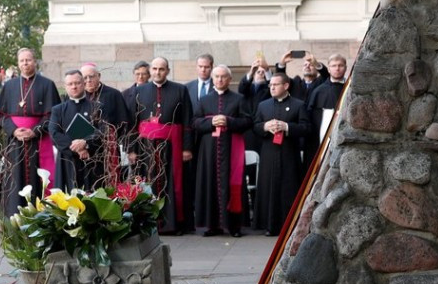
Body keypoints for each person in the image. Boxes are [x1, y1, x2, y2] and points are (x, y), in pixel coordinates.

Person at [132, 57, 194, 234]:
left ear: (167, 71)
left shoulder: (180, 90)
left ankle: (172, 224)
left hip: (172, 146)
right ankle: (149, 224)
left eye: (161, 69)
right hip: (146, 147)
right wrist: (132, 150)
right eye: (155, 69)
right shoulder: (140, 90)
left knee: (172, 184)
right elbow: (134, 122)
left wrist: (187, 148)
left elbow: (187, 120)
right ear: (150, 70)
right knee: (148, 182)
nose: (157, 72)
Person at [0, 48, 60, 216]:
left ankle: (41, 216)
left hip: (38, 141)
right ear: (18, 64)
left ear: (35, 62)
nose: (25, 63)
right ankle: (14, 218)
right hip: (15, 142)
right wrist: (13, 130)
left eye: (28, 60)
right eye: (22, 60)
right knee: (14, 179)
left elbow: (53, 114)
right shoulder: (9, 85)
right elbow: (0, 114)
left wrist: (35, 131)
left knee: (39, 178)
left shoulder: (47, 84)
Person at [192, 65, 251, 237]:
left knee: (232, 185)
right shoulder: (204, 100)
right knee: (210, 183)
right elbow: (195, 122)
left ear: (230, 79)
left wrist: (228, 122)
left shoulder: (239, 99)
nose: (220, 79)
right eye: (217, 76)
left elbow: (248, 121)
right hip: (209, 151)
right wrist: (211, 123)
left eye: (223, 76)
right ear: (212, 78)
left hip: (231, 148)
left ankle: (234, 226)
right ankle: (212, 225)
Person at [253, 73, 311, 236]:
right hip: (268, 153)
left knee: (288, 188)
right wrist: (265, 126)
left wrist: (287, 127)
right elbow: (255, 126)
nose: (271, 88)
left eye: (275, 85)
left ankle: (290, 225)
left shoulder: (299, 105)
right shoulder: (263, 105)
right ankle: (269, 225)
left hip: (289, 153)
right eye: (270, 85)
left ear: (286, 86)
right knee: (268, 188)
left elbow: (307, 128)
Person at [51, 69, 115, 191]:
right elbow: (54, 134)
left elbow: (104, 130)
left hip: (92, 161)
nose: (74, 87)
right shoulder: (58, 110)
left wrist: (86, 143)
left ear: (83, 83)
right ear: (65, 86)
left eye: (77, 83)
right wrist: (78, 148)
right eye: (70, 84)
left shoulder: (98, 107)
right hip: (67, 161)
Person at [82, 62, 132, 184]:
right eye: (84, 77)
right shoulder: (79, 96)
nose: (88, 80)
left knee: (108, 182)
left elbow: (124, 122)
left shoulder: (113, 94)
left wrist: (123, 145)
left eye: (91, 76)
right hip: (84, 149)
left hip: (107, 148)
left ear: (99, 76)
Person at [303, 54, 347, 176]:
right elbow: (310, 118)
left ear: (345, 67)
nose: (337, 68)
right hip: (320, 142)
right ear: (328, 68)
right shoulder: (318, 91)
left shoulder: (351, 89)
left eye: (340, 65)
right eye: (334, 66)